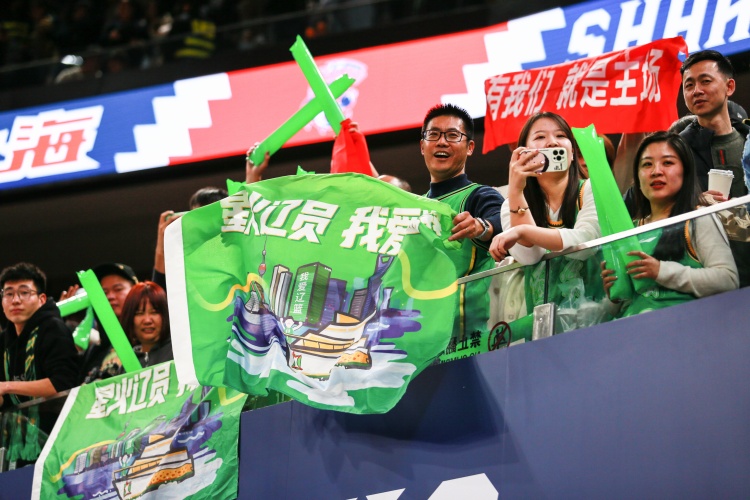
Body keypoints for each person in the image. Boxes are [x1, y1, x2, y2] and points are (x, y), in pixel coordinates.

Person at [601, 132, 739, 317]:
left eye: (667, 163)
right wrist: (613, 296)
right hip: (631, 328)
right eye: (647, 164)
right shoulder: (629, 230)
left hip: (685, 326)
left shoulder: (698, 218)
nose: (656, 171)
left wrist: (661, 271)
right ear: (638, 178)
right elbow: (619, 307)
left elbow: (728, 280)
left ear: (685, 172)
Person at [489, 111, 602, 315]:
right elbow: (529, 256)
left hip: (595, 314)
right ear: (523, 153)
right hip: (541, 319)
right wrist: (516, 190)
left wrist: (523, 231)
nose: (552, 142)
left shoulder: (592, 189)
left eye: (560, 135)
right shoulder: (510, 203)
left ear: (573, 153)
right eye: (540, 137)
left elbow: (585, 243)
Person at [421, 103, 504, 344]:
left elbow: (502, 223)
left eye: (452, 135)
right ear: (422, 146)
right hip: (417, 338)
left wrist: (481, 227)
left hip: (463, 340)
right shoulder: (413, 207)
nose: (442, 142)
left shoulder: (479, 196)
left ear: (470, 147)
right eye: (433, 134)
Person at [0, 263, 80, 407]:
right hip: (17, 421)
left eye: (24, 292)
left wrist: (7, 386)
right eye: (9, 294)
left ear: (41, 299)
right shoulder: (4, 340)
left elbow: (63, 384)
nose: (15, 300)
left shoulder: (54, 329)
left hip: (57, 420)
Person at [679, 50, 749, 201]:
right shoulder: (677, 151)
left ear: (729, 87)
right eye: (689, 85)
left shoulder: (747, 141)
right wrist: (693, 205)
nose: (696, 91)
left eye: (705, 81)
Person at [78, 263, 139, 383]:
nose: (109, 297)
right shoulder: (95, 351)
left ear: (136, 290)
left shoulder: (149, 339)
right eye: (104, 292)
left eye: (118, 289)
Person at [119, 281, 173, 367]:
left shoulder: (179, 352)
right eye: (139, 313)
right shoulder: (125, 364)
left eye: (154, 312)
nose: (147, 320)